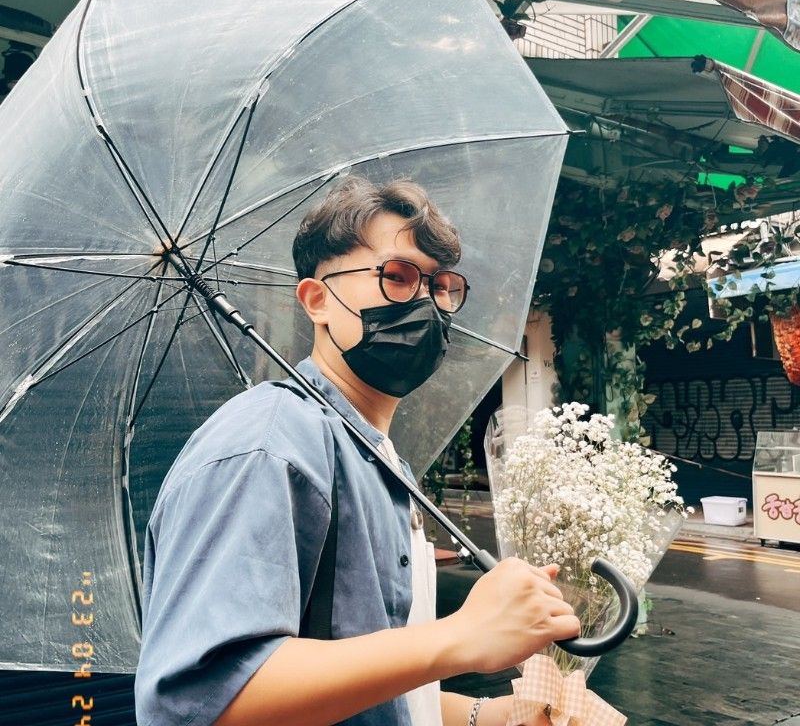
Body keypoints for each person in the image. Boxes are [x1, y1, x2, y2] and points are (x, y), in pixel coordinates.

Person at [133, 176, 580, 726]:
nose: (428, 303)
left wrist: (491, 715)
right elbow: (203, 703)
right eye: (398, 276)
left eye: (441, 286)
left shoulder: (377, 456)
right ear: (317, 300)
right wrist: (460, 636)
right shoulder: (268, 445)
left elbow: (373, 689)